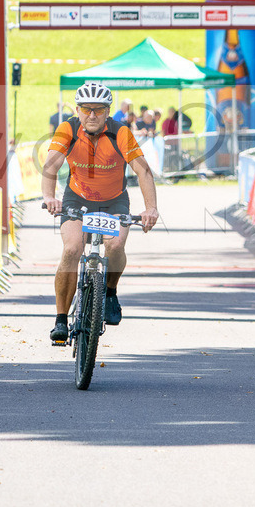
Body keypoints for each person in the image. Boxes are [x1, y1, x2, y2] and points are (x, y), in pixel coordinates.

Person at [41, 82, 159, 343]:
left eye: (99, 109)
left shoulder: (121, 133)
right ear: (77, 109)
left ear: (108, 112)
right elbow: (51, 164)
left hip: (114, 201)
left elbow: (143, 171)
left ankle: (109, 292)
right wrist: (49, 197)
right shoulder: (68, 129)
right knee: (72, 249)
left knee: (115, 246)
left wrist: (151, 208)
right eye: (86, 109)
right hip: (77, 198)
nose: (92, 115)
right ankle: (61, 319)